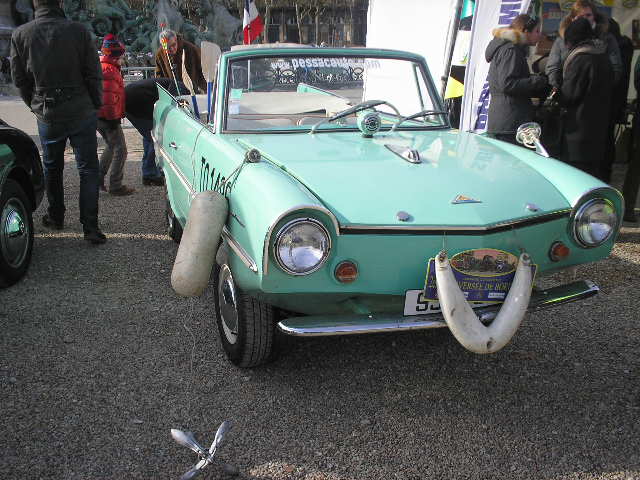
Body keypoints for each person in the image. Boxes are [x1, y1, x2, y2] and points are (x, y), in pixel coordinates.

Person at [10, 0, 107, 244]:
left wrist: (35, 104)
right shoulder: (78, 30)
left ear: (35, 4)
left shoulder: (21, 34)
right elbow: (93, 73)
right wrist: (95, 104)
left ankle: (56, 216)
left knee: (52, 167)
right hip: (81, 108)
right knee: (88, 168)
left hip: (48, 109)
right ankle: (90, 226)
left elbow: (19, 79)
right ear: (60, 3)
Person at [558, 17, 612, 179]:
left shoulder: (581, 59)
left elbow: (569, 95)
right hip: (598, 130)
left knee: (575, 178)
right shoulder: (603, 56)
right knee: (592, 177)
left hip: (578, 132)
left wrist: (556, 93)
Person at [484, 14, 548, 145]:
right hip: (509, 123)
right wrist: (537, 82)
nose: (540, 35)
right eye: (537, 31)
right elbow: (507, 84)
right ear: (526, 31)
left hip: (506, 121)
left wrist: (533, 79)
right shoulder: (511, 50)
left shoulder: (510, 49)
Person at [545, 0, 622, 91]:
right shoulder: (561, 40)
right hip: (567, 92)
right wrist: (558, 88)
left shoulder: (607, 39)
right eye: (581, 16)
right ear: (573, 18)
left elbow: (616, 68)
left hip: (598, 93)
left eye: (588, 15)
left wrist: (602, 89)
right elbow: (552, 67)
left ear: (594, 17)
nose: (585, 19)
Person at [124, 78, 188, 186]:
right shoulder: (177, 88)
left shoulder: (169, 85)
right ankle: (150, 174)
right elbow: (172, 106)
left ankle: (150, 171)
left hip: (135, 102)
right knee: (153, 138)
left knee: (149, 137)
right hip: (134, 104)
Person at [97, 34, 135, 196]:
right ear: (116, 55)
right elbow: (108, 99)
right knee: (121, 150)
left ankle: (98, 178)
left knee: (111, 146)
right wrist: (114, 120)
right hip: (108, 117)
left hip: (100, 116)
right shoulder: (110, 70)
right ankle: (116, 185)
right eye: (122, 55)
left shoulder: (104, 66)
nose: (123, 58)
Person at [154, 29, 206, 94]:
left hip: (193, 91)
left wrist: (204, 89)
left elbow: (202, 69)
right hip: (172, 93)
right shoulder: (159, 54)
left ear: (176, 40)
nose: (172, 49)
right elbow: (159, 76)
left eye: (173, 45)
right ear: (163, 46)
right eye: (168, 47)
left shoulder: (191, 49)